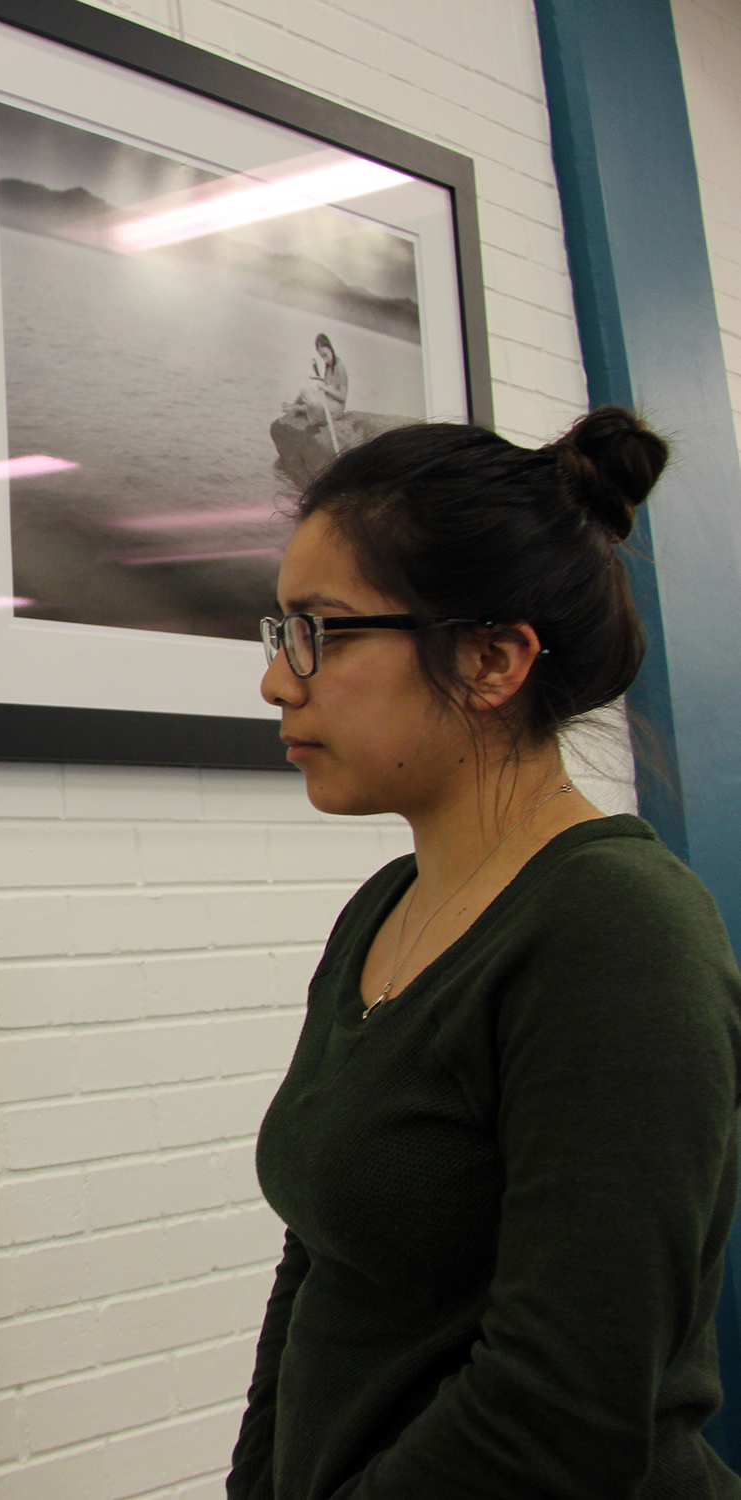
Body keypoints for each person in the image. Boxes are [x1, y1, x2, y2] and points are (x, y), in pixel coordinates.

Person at [232, 407, 741, 1497]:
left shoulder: (617, 931)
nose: (279, 682)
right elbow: (318, 1261)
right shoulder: (385, 910)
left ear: (493, 657)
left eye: (319, 632)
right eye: (279, 634)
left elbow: (567, 1404)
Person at [289, 333, 350, 452]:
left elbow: (342, 396)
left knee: (313, 405)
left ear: (330, 348)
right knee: (304, 392)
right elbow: (326, 385)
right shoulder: (328, 365)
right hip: (326, 401)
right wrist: (323, 385)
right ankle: (293, 406)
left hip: (335, 408)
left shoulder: (340, 366)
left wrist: (326, 388)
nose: (325, 359)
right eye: (322, 357)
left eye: (325, 355)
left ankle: (297, 408)